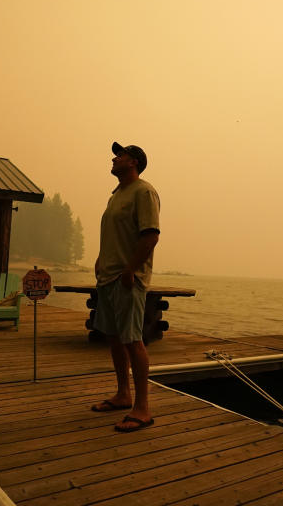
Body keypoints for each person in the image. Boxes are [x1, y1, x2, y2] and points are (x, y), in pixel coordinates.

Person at [90, 141, 160, 433]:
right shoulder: (116, 194)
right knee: (114, 337)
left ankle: (142, 408)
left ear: (134, 161)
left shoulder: (144, 191)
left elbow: (151, 235)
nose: (114, 158)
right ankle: (122, 394)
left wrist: (131, 270)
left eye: (120, 155)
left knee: (132, 339)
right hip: (108, 277)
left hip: (127, 278)